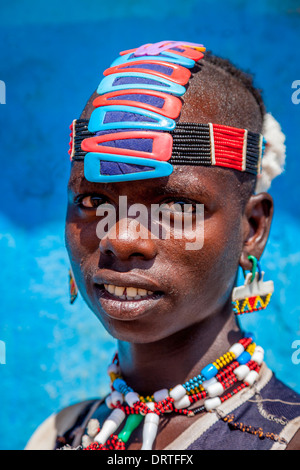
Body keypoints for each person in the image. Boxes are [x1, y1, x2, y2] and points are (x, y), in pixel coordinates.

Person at [25, 41, 300, 450]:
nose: (119, 238)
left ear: (253, 229)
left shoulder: (284, 437)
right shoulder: (58, 434)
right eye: (92, 201)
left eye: (176, 205)